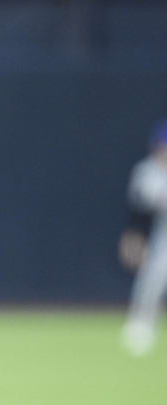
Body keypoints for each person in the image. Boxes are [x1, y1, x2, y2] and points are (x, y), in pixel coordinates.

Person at [120, 121, 167, 357]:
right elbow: (138, 212)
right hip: (161, 236)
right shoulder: (146, 171)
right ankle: (140, 325)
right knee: (152, 280)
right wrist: (133, 239)